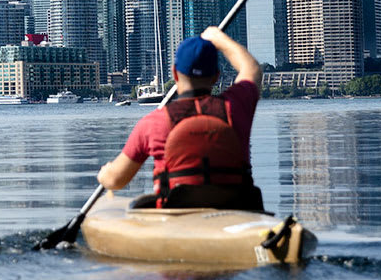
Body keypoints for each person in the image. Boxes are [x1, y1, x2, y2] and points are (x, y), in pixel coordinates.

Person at [96, 25, 264, 211]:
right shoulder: (236, 107)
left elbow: (115, 180)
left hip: (175, 218)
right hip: (237, 212)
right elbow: (251, 68)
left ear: (175, 73)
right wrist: (219, 38)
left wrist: (105, 174)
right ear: (216, 76)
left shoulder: (153, 123)